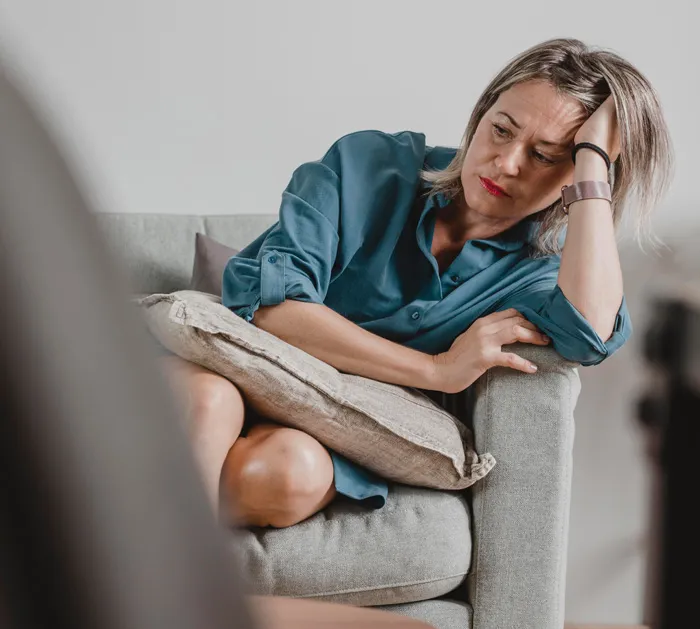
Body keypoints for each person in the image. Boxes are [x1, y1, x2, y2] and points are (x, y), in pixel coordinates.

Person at [161, 37, 673, 529]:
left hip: (326, 427)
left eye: (544, 155)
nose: (507, 163)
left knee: (292, 474)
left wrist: (593, 165)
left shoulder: (540, 270)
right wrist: (436, 369)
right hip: (224, 371)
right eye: (501, 129)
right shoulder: (367, 165)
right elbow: (273, 307)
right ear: (481, 114)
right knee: (209, 402)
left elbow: (588, 332)